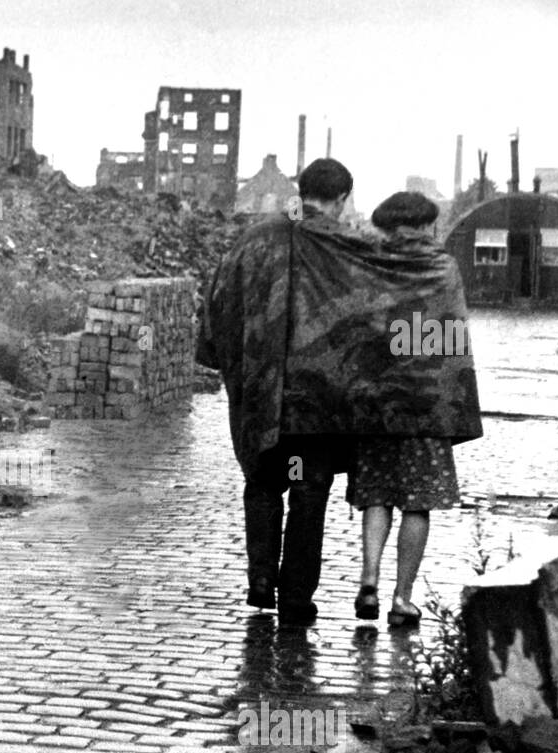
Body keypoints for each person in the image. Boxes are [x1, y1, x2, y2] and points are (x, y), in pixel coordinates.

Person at [199, 158, 363, 625]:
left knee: (264, 483)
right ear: (342, 198)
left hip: (261, 397)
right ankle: (296, 597)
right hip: (318, 404)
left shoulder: (254, 238)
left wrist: (237, 368)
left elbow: (217, 308)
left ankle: (260, 582)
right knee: (308, 491)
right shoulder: (347, 246)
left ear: (299, 189)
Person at [348, 191, 472, 627]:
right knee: (418, 502)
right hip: (426, 401)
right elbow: (453, 334)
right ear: (426, 225)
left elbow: (355, 329)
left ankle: (368, 581)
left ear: (386, 225)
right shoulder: (443, 268)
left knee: (376, 494)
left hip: (378, 399)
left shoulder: (368, 264)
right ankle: (402, 600)